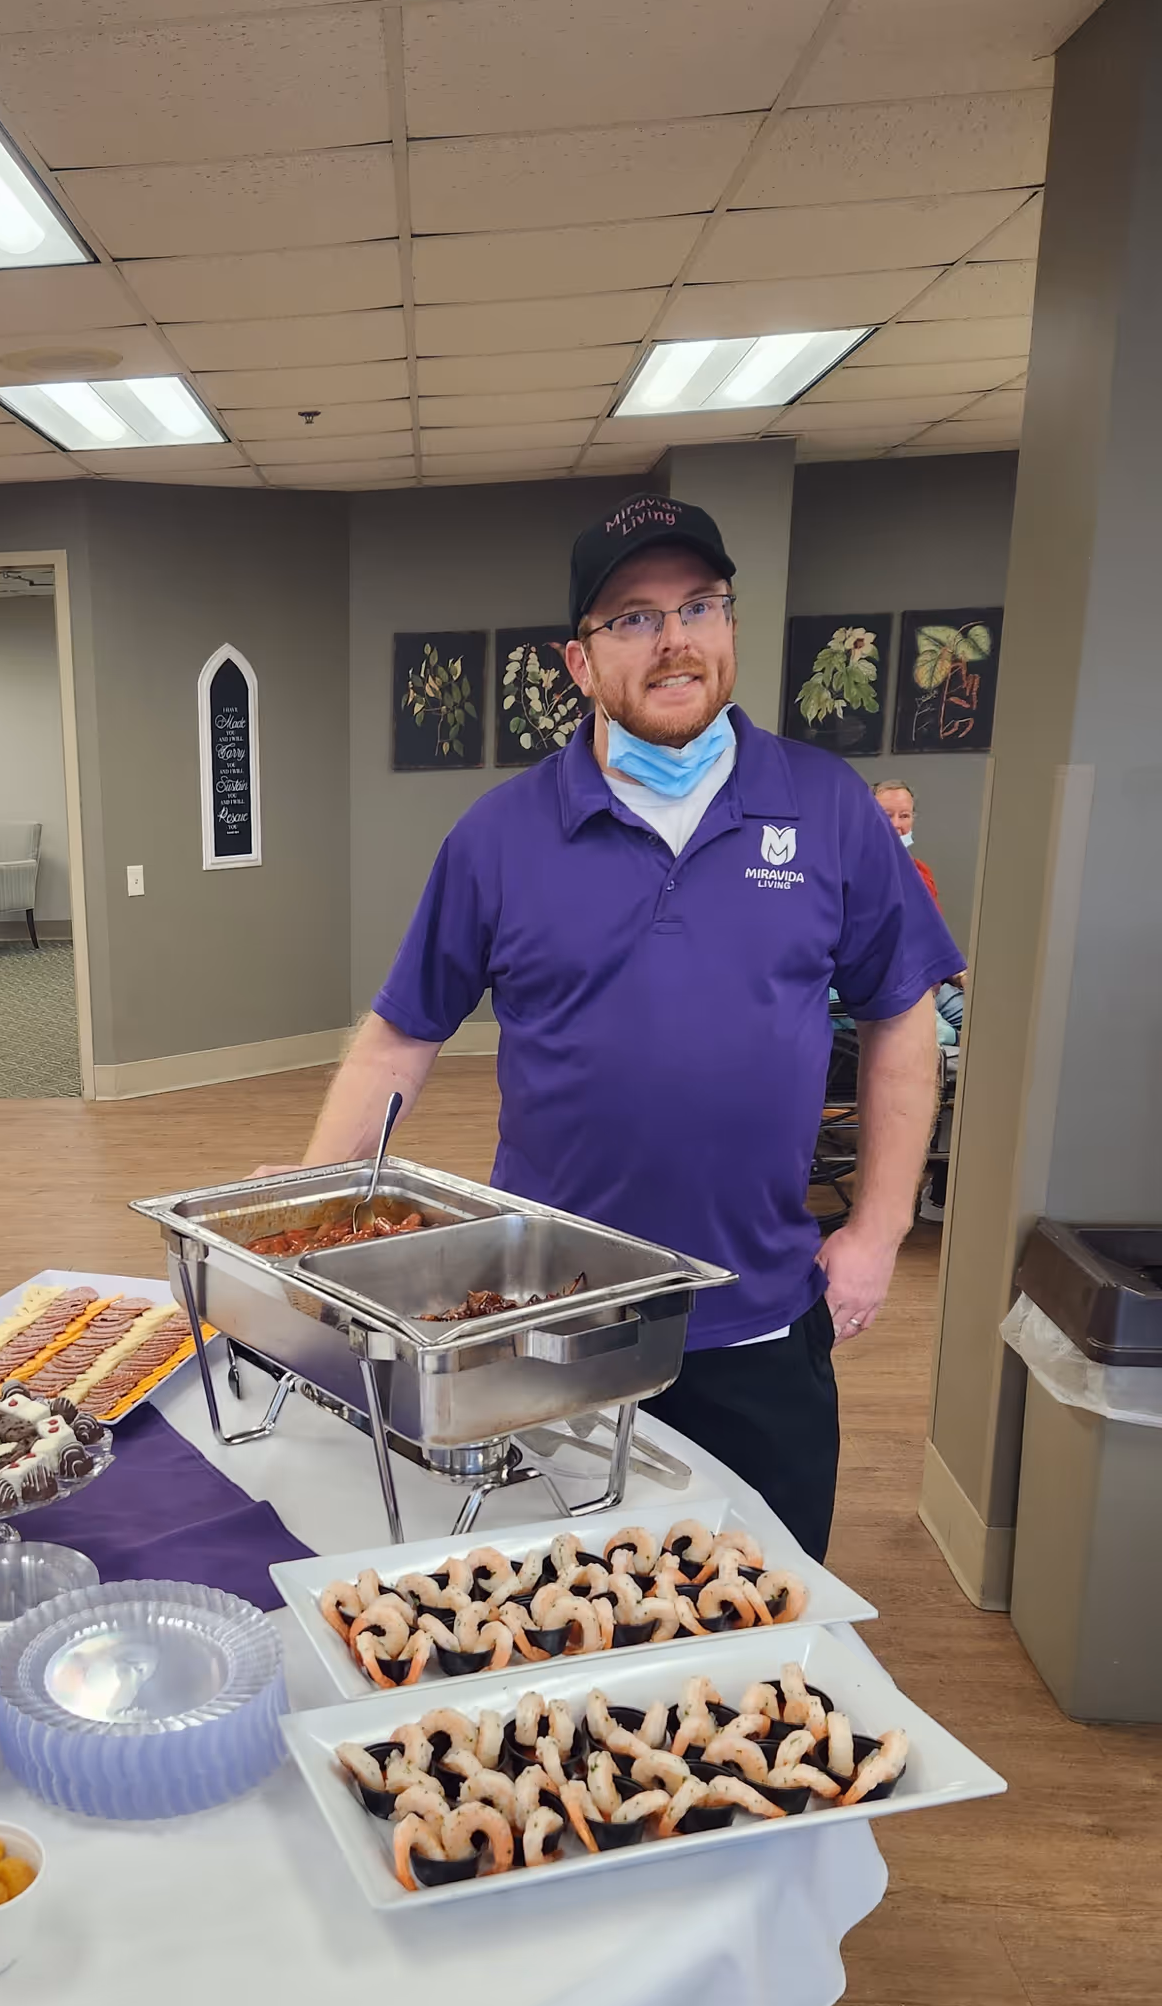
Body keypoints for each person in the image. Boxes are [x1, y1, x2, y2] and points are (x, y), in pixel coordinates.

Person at [286, 493, 964, 1559]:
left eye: (699, 605)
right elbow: (398, 1037)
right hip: (549, 1324)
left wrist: (878, 1230)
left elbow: (900, 1017)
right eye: (634, 618)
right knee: (553, 1624)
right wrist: (302, 1237)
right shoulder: (499, 836)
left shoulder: (828, 809)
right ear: (579, 661)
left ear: (730, 626)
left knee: (762, 1615)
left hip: (758, 1318)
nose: (675, 639)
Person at [872, 781, 941, 905]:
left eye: (904, 816)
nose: (895, 824)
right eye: (886, 815)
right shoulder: (847, 870)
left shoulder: (921, 871)